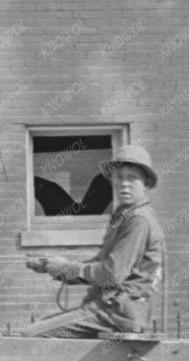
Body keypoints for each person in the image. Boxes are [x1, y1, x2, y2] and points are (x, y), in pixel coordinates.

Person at [22, 144, 164, 336]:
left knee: (31, 335)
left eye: (132, 178)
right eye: (119, 177)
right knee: (42, 326)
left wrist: (67, 268)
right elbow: (101, 265)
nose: (124, 184)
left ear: (146, 183)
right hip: (109, 308)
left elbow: (113, 274)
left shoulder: (138, 220)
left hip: (117, 312)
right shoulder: (125, 215)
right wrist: (53, 267)